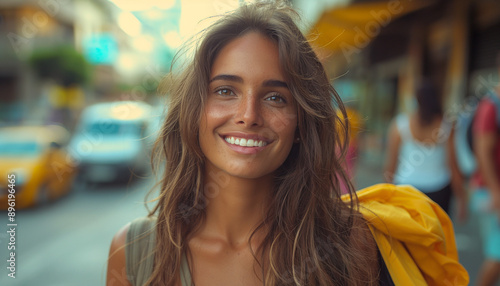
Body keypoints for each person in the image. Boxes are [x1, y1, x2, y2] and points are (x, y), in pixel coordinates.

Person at [106, 2, 468, 285]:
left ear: (301, 123)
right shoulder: (134, 253)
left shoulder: (349, 241)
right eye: (226, 91)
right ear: (193, 112)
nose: (248, 115)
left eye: (276, 97)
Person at [384, 79, 468, 219]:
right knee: (437, 236)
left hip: (406, 190)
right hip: (439, 192)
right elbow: (453, 166)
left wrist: (385, 195)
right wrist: (461, 199)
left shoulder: (399, 125)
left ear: (415, 99)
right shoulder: (446, 126)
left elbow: (390, 166)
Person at [470, 53, 500, 286]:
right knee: (497, 255)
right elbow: (483, 151)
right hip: (490, 191)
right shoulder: (491, 105)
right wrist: (495, 191)